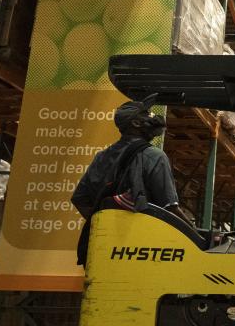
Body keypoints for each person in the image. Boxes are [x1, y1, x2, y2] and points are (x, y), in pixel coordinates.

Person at [71, 95, 182, 265]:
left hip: (106, 251)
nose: (152, 117)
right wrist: (197, 235)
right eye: (147, 115)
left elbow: (79, 199)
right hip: (143, 251)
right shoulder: (154, 156)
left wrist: (107, 226)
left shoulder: (102, 157)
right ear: (136, 124)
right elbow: (170, 207)